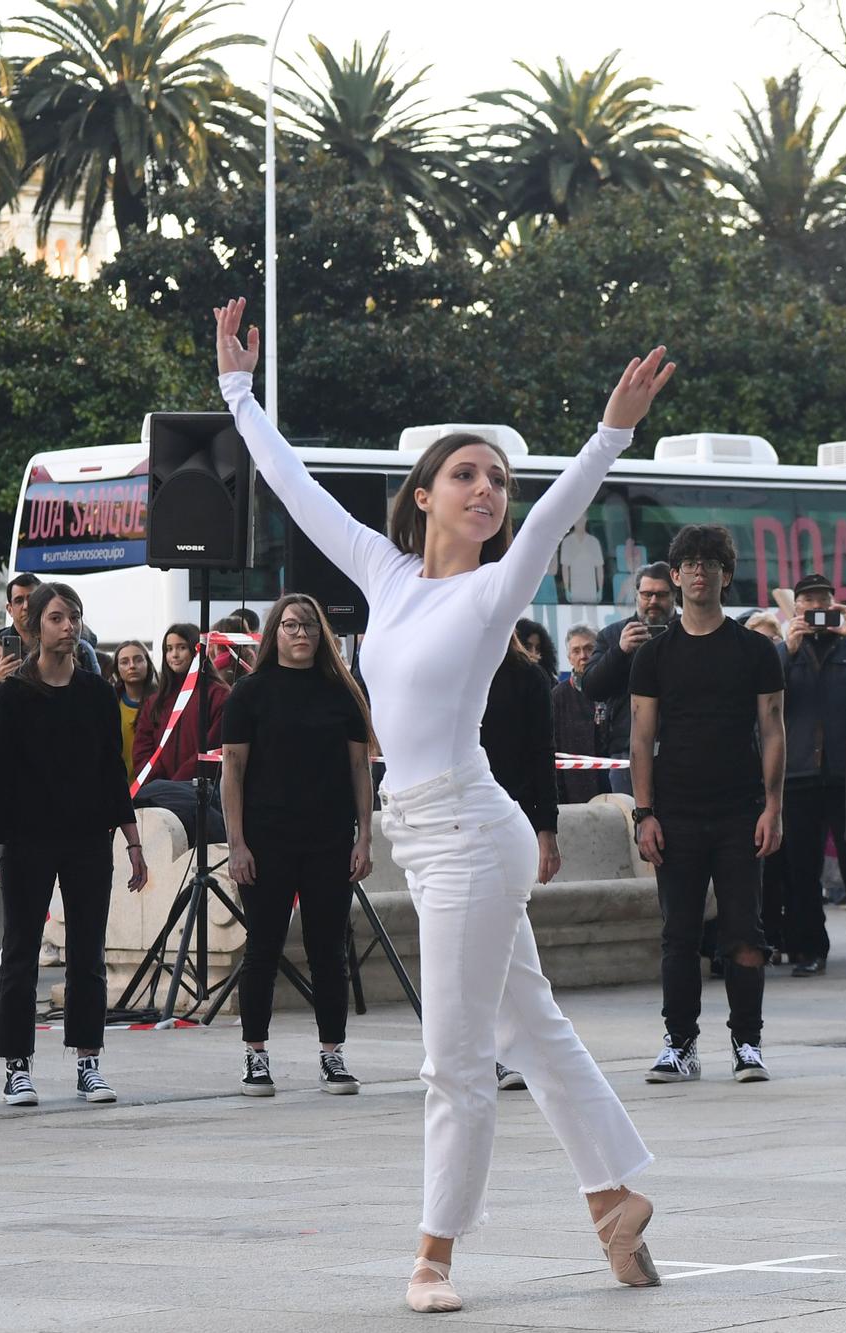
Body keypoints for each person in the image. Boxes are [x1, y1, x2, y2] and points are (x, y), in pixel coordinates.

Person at [216, 296, 665, 1313]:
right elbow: (297, 492)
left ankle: (433, 1256)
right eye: (464, 473)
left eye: (496, 478)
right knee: (530, 1026)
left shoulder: (495, 587)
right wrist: (239, 394)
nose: (488, 489)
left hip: (471, 831)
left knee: (452, 1058)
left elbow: (556, 514)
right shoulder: (387, 573)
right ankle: (612, 1198)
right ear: (420, 495)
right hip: (426, 833)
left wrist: (610, 434)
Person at [0, 583, 146, 1106]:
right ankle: (16, 1067)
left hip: (88, 839)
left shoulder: (96, 691)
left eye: (73, 617)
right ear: (34, 627)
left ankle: (88, 1060)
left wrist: (133, 839)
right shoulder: (13, 695)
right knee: (21, 954)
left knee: (87, 954)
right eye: (57, 617)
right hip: (28, 840)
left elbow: (112, 770)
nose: (68, 626)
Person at [630, 523, 784, 1084]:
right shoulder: (654, 655)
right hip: (676, 812)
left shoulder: (756, 649)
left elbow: (773, 730)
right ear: (675, 577)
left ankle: (748, 1042)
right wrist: (644, 814)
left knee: (746, 933)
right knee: (679, 936)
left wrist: (773, 807)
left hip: (741, 810)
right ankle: (680, 1043)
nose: (699, 571)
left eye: (709, 562)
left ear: (725, 573)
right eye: (689, 563)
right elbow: (640, 739)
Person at [222, 593, 375, 1098]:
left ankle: (333, 1055)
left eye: (309, 625)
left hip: (330, 839)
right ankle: (256, 1055)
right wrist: (237, 843)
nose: (301, 633)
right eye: (290, 625)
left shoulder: (342, 694)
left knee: (328, 950)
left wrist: (365, 837)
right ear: (275, 633)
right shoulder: (249, 693)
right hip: (265, 842)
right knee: (263, 948)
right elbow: (233, 772)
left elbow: (360, 769)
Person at [778, 573, 846, 978]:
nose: (816, 608)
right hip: (798, 775)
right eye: (808, 602)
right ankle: (808, 951)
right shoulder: (783, 651)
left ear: (836, 607)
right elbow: (763, 693)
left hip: (845, 777)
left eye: (824, 601)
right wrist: (787, 648)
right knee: (801, 872)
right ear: (796, 608)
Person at [482, 635, 565, 1093]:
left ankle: (503, 1047)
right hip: (450, 824)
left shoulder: (525, 678)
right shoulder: (450, 667)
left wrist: (546, 831)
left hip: (507, 821)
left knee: (503, 944)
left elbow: (541, 756)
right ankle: (482, 1049)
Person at [580, 561, 677, 796]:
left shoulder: (688, 631)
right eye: (646, 594)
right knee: (633, 824)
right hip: (627, 749)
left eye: (661, 594)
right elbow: (591, 687)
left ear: (675, 596)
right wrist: (619, 651)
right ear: (636, 596)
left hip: (679, 747)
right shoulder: (614, 634)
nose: (653, 601)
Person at [132, 622, 228, 842]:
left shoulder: (219, 696)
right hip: (158, 802)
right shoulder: (155, 702)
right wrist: (159, 787)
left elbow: (213, 749)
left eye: (181, 647)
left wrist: (175, 786)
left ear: (196, 649)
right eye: (169, 648)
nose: (174, 654)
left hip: (202, 800)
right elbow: (142, 752)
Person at [0, 572, 100, 676]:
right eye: (19, 600)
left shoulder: (82, 649)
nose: (26, 606)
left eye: (32, 599)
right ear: (9, 609)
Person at [553, 624, 605, 804]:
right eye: (576, 651)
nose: (583, 656)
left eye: (589, 648)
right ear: (569, 658)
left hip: (611, 783)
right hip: (574, 788)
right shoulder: (558, 696)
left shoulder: (614, 687)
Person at [111, 641, 158, 785]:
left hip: (154, 786)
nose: (132, 666)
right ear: (117, 669)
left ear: (148, 663)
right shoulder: (110, 703)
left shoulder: (162, 702)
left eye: (138, 660)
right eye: (124, 662)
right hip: (119, 786)